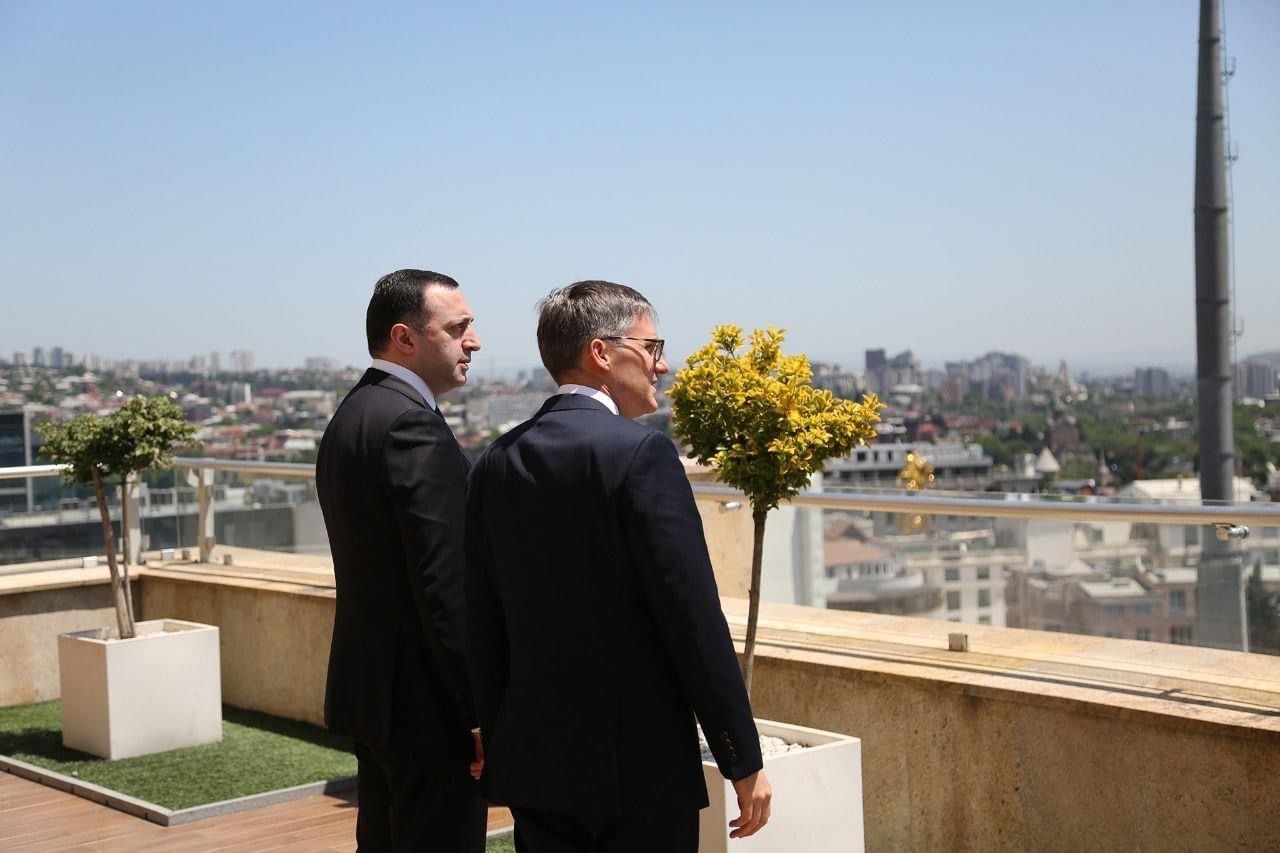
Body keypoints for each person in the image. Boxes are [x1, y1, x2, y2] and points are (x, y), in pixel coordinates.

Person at [465, 280, 772, 852]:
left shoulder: (493, 463)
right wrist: (742, 759)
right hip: (639, 773)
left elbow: (482, 622)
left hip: (536, 769)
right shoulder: (641, 454)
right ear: (601, 353)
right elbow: (693, 621)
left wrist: (493, 732)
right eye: (652, 347)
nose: (662, 364)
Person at [316, 268, 487, 851]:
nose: (474, 341)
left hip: (376, 694)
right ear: (404, 338)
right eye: (458, 328)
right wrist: (476, 709)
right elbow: (443, 583)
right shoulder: (411, 424)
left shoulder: (354, 413)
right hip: (426, 706)